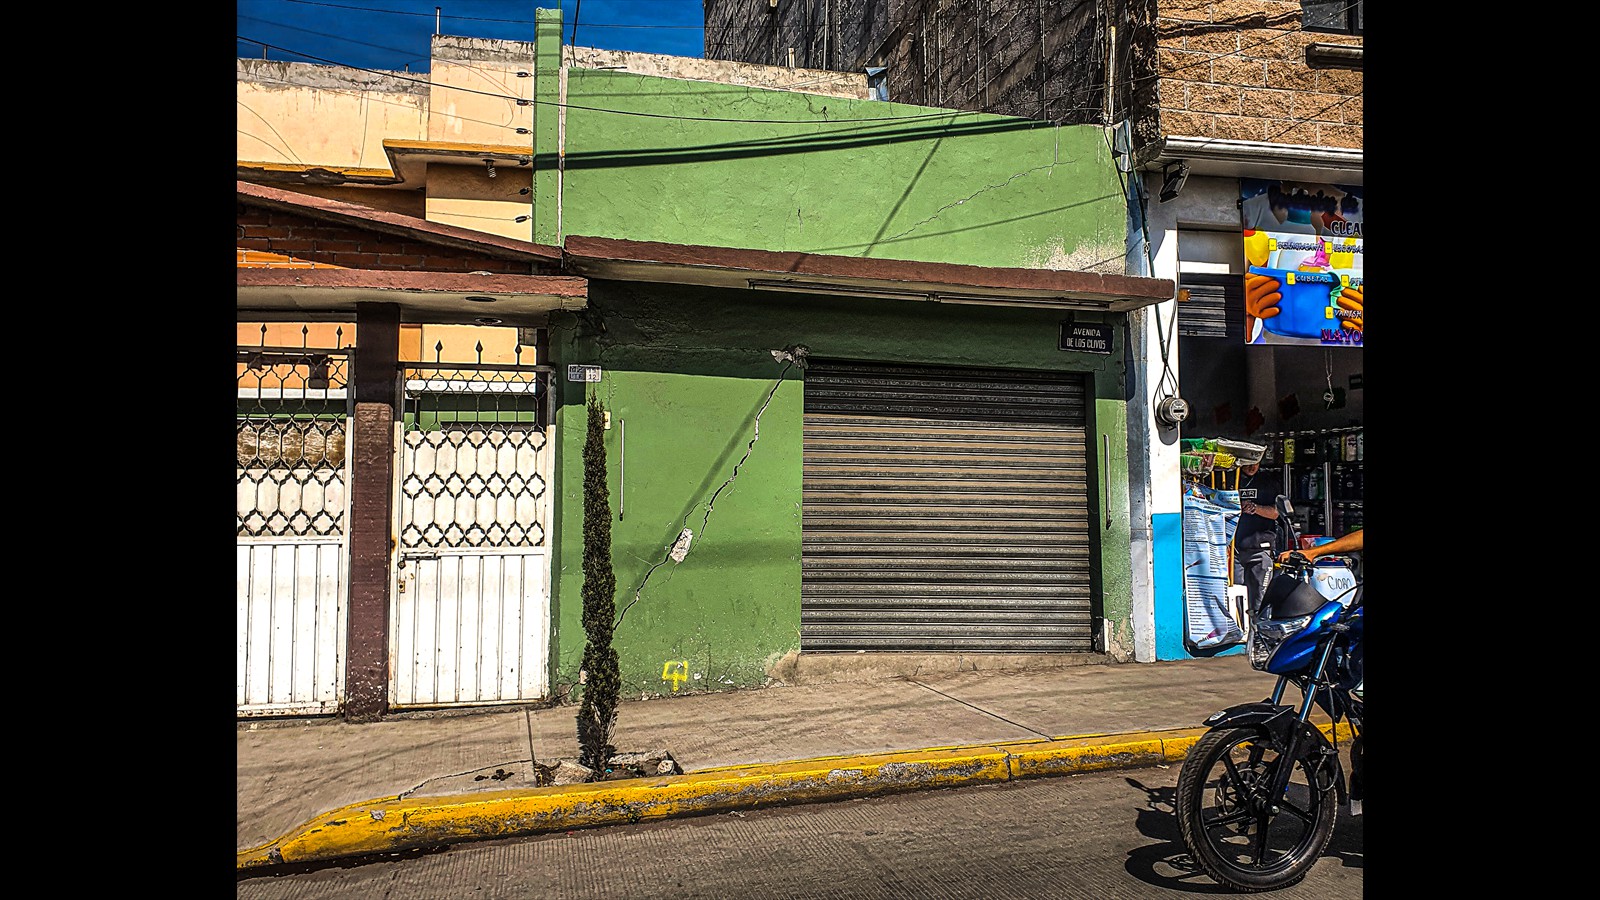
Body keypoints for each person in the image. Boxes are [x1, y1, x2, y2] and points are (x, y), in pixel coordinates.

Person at [1232, 461, 1284, 618]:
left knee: (1260, 597)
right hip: (1233, 548)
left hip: (1261, 547)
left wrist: (1254, 508)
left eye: (1255, 463)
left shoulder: (1267, 482)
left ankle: (1260, 633)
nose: (1252, 467)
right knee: (1236, 595)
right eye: (1248, 463)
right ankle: (1242, 631)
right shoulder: (1229, 479)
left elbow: (1276, 513)